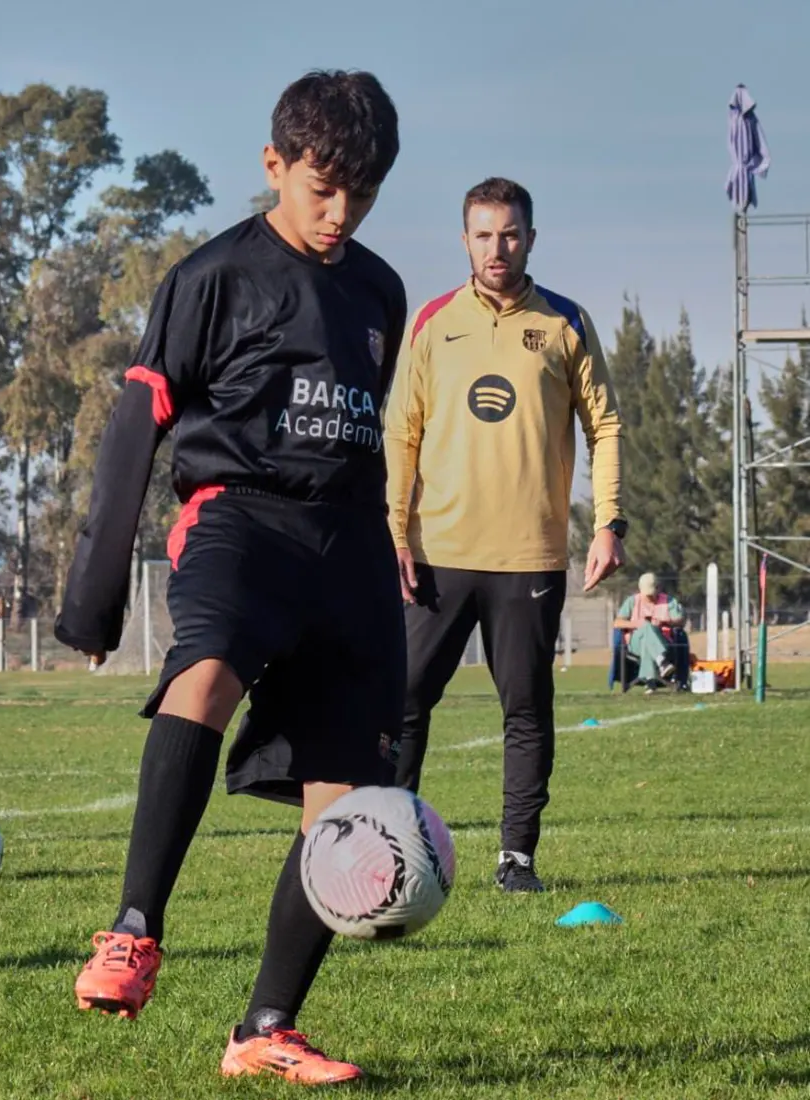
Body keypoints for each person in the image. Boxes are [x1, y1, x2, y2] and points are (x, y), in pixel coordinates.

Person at [54, 70, 407, 1085]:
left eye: (363, 193)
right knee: (203, 673)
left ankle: (267, 1025)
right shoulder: (212, 275)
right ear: (274, 166)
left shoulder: (379, 290)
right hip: (237, 521)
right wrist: (94, 589)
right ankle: (131, 931)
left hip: (346, 545)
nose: (341, 213)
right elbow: (138, 419)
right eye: (321, 188)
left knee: (343, 790)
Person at [383, 177, 626, 893]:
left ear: (530, 238)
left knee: (525, 709)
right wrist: (393, 529)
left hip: (528, 556)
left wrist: (607, 520)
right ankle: (393, 846)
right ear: (465, 240)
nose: (498, 248)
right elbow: (402, 432)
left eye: (511, 234)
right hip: (436, 553)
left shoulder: (565, 322)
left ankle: (516, 857)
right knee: (401, 704)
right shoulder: (433, 322)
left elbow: (605, 427)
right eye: (484, 235)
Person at [613, 572, 685, 690]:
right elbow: (617, 623)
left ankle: (650, 682)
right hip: (635, 642)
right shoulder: (632, 601)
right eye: (647, 594)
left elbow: (680, 621)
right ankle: (662, 662)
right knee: (646, 626)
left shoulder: (669, 601)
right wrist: (636, 624)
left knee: (647, 639)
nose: (649, 597)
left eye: (652, 594)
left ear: (658, 588)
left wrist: (665, 622)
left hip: (663, 640)